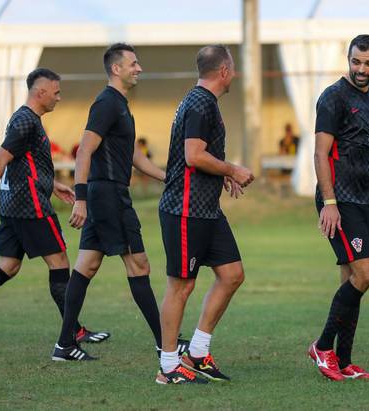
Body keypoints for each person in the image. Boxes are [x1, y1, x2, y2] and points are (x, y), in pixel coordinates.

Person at [0, 68, 109, 346]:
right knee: (59, 264)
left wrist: (53, 184)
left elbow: (24, 162)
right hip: (30, 207)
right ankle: (75, 331)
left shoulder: (29, 119)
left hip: (14, 205)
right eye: (56, 92)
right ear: (40, 92)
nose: (59, 97)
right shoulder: (26, 122)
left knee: (8, 266)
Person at [52, 43, 182, 361]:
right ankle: (166, 342)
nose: (139, 68)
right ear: (116, 69)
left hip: (106, 194)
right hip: (107, 195)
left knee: (87, 264)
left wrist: (169, 177)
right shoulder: (106, 103)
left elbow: (134, 155)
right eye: (133, 63)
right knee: (139, 264)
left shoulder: (121, 105)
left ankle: (64, 345)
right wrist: (80, 199)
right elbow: (84, 150)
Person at [156, 44, 254, 385]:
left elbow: (200, 154)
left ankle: (197, 352)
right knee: (181, 286)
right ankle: (169, 366)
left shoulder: (202, 101)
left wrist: (222, 173)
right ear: (224, 71)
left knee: (232, 274)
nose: (235, 75)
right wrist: (233, 168)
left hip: (206, 210)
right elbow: (193, 155)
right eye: (234, 68)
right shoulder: (199, 102)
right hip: (185, 210)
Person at [310, 34, 369, 382]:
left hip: (365, 199)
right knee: (366, 275)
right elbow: (320, 153)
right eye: (355, 62)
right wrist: (329, 202)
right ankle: (322, 347)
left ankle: (344, 362)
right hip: (339, 198)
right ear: (348, 59)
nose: (361, 69)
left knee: (352, 279)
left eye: (368, 63)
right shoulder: (332, 98)